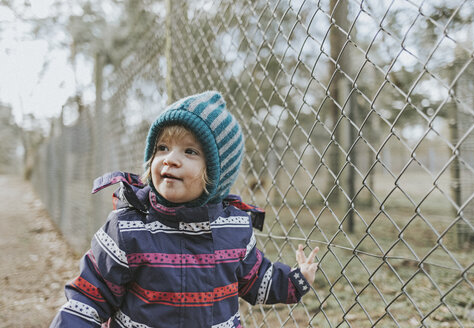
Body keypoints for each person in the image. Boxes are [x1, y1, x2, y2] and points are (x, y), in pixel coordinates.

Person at [50, 91, 319, 328]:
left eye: (190, 151)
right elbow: (91, 293)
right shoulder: (128, 227)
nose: (170, 159)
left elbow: (256, 279)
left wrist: (296, 280)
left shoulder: (234, 228)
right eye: (162, 148)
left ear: (217, 173)